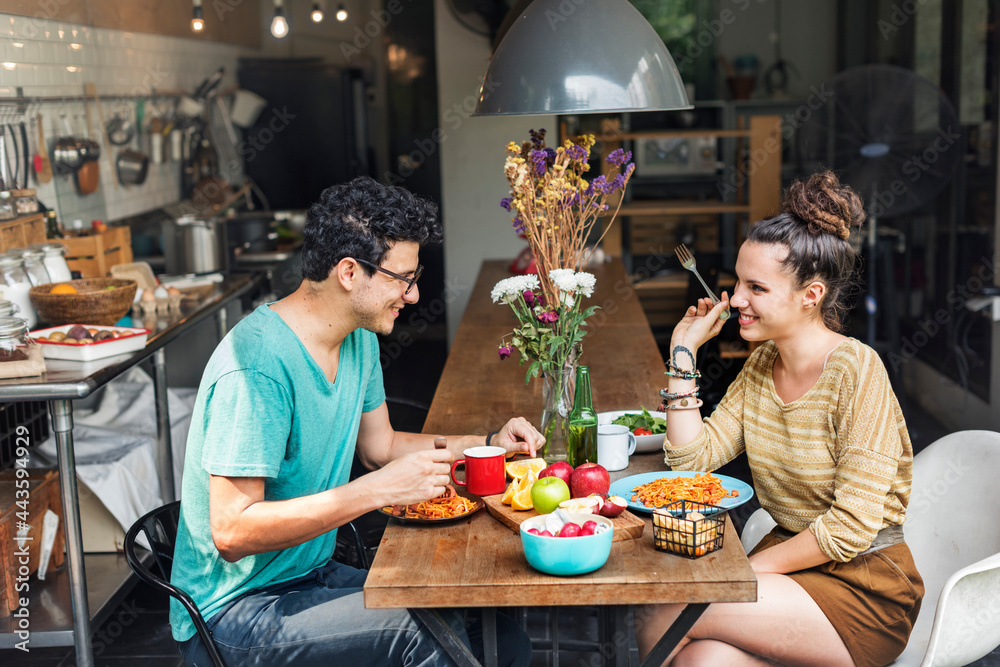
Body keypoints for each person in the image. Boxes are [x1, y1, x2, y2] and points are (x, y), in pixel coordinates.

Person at [169, 176, 542, 667]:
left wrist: (490, 444)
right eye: (402, 278)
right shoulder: (257, 367)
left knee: (498, 630)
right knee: (428, 635)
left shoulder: (358, 337)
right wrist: (376, 491)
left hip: (310, 576)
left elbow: (381, 447)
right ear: (349, 272)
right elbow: (232, 532)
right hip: (236, 612)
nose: (412, 296)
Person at [637, 171, 923, 667]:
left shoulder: (857, 372)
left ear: (810, 296)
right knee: (701, 661)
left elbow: (851, 527)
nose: (736, 299)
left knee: (668, 604)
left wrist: (746, 570)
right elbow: (690, 464)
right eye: (737, 281)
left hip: (863, 584)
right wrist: (682, 352)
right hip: (789, 568)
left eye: (756, 287)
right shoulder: (761, 366)